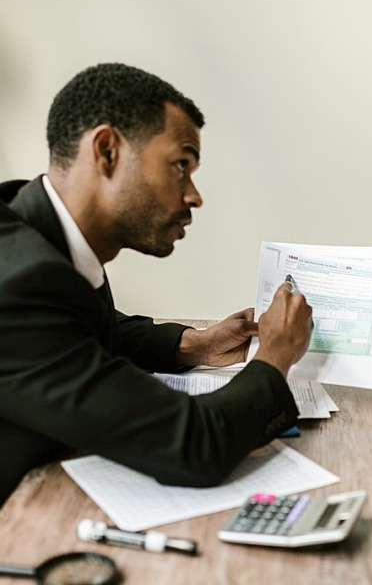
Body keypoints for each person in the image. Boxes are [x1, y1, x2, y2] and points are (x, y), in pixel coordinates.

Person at [0, 62, 314, 506]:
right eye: (180, 165)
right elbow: (193, 445)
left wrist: (192, 345)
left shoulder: (31, 228)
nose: (194, 195)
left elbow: (71, 330)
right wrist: (277, 354)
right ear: (107, 151)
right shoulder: (18, 284)